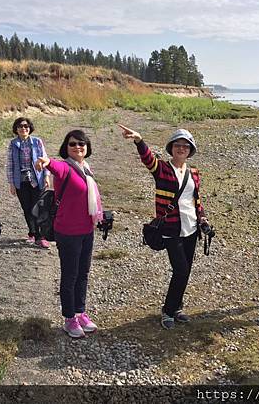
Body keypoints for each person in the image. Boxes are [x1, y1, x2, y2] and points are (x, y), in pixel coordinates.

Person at [118, 124, 208, 330]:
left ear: (190, 150)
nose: (181, 149)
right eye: (178, 145)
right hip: (170, 228)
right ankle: (168, 311)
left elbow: (196, 200)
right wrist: (139, 140)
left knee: (186, 270)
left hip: (191, 228)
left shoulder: (194, 173)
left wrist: (202, 218)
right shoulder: (163, 169)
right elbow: (148, 160)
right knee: (181, 270)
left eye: (186, 146)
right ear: (171, 147)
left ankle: (177, 308)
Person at [35, 130, 102, 338]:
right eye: (72, 144)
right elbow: (56, 166)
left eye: (81, 144)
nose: (77, 147)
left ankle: (80, 312)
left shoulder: (87, 169)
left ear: (87, 147)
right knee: (70, 275)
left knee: (83, 274)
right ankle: (69, 318)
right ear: (67, 147)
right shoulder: (66, 167)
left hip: (86, 230)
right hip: (68, 232)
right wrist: (46, 162)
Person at [7, 117, 50, 248]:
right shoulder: (13, 144)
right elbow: (10, 164)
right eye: (20, 126)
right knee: (26, 208)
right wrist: (11, 183)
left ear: (30, 128)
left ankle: (40, 236)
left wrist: (47, 176)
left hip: (37, 179)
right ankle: (32, 232)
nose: (23, 128)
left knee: (38, 208)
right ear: (16, 129)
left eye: (26, 126)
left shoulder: (37, 142)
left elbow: (44, 159)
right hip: (21, 180)